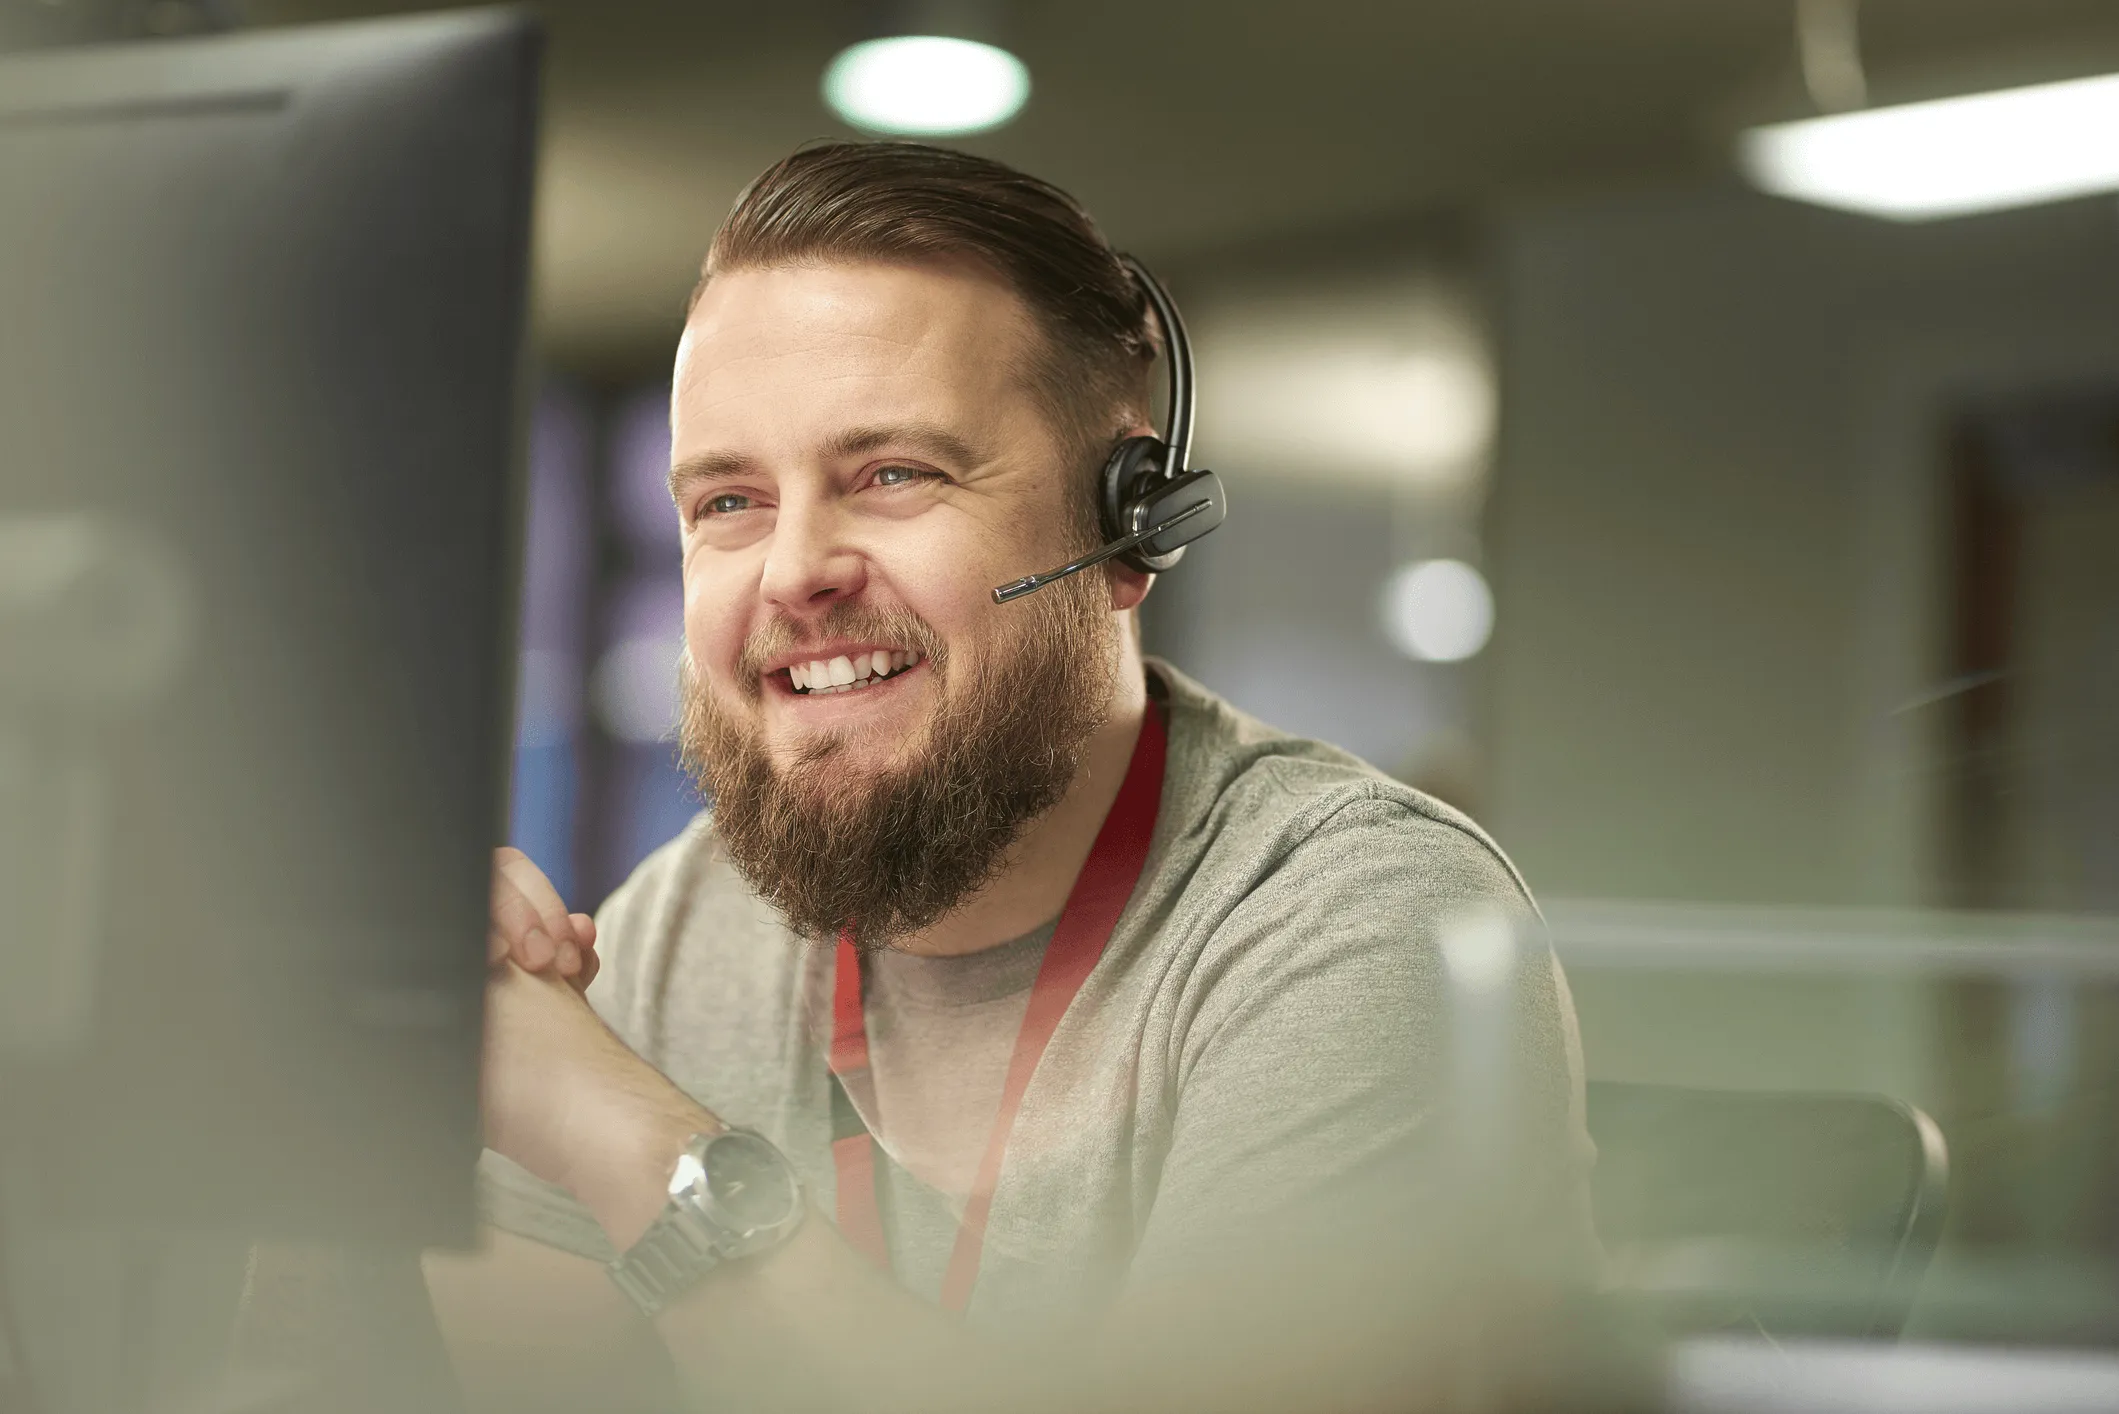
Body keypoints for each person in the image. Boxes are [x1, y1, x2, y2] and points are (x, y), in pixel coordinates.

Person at [429, 140, 1600, 1414]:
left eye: (892, 475)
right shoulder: (676, 927)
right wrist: (343, 1064)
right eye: (729, 502)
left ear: (1126, 522)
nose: (794, 570)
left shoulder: (1359, 923)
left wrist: (633, 1140)